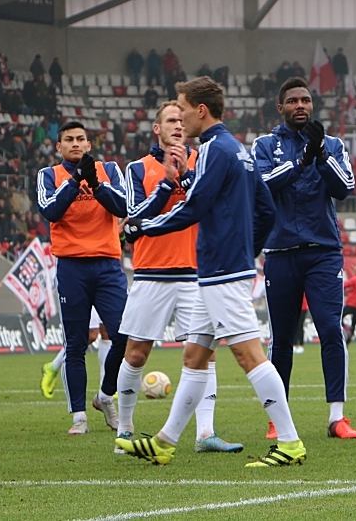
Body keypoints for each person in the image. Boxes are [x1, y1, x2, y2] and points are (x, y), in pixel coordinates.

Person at [118, 77, 304, 468]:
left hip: (221, 270)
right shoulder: (237, 150)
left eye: (183, 109)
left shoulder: (215, 150)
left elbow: (194, 207)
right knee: (194, 355)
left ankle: (289, 442)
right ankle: (166, 441)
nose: (181, 119)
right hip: (219, 269)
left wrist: (141, 227)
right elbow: (266, 210)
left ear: (201, 110)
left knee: (248, 354)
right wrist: (245, 252)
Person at [116, 101, 242, 454]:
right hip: (151, 274)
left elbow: (213, 206)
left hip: (195, 276)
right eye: (169, 120)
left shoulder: (205, 163)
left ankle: (205, 434)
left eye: (180, 119)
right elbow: (135, 220)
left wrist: (186, 176)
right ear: (156, 129)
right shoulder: (138, 169)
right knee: (137, 354)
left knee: (205, 354)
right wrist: (167, 184)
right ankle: (125, 429)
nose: (176, 125)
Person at [251, 77, 356, 440]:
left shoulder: (332, 144)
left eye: (307, 100)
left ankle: (337, 417)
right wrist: (302, 160)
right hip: (280, 253)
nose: (301, 105)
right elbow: (263, 184)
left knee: (331, 329)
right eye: (294, 100)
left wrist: (321, 156)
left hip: (323, 253)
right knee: (281, 338)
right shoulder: (264, 145)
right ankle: (276, 421)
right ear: (280, 107)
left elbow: (344, 188)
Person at [36, 122, 129, 435]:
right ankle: (79, 416)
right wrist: (76, 179)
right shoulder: (49, 175)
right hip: (72, 267)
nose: (75, 144)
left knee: (123, 336)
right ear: (59, 147)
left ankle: (104, 396)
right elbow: (51, 211)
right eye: (68, 140)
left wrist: (96, 184)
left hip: (107, 265)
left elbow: (124, 205)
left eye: (80, 139)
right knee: (76, 344)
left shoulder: (110, 170)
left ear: (89, 144)